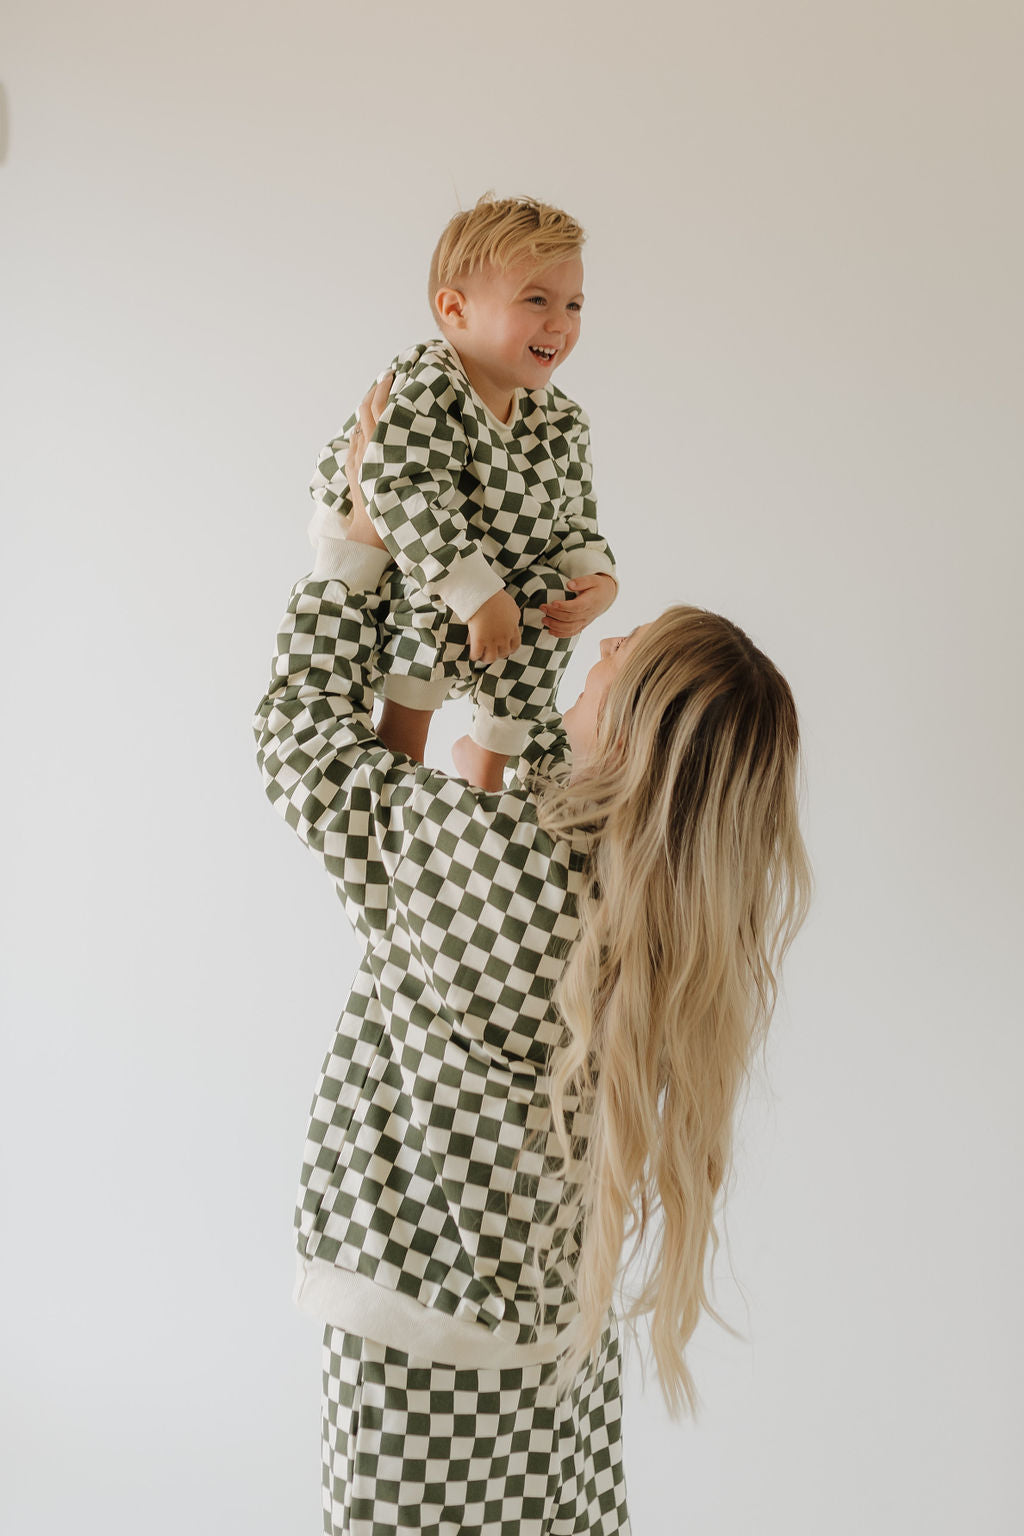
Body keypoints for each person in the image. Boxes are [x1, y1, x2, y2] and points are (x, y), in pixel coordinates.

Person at [253, 379, 812, 1535]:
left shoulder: (494, 859)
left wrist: (353, 550)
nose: (601, 645)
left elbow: (300, 738)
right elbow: (444, 790)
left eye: (628, 650)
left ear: (639, 728)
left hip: (416, 1339)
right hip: (556, 1338)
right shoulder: (660, 913)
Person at [307, 192, 619, 794]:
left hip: (480, 546)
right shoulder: (429, 381)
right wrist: (476, 596)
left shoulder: (561, 419)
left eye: (574, 304)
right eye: (537, 300)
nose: (561, 323)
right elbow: (400, 487)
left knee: (549, 595)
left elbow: (575, 516)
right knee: (433, 590)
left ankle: (487, 754)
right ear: (454, 309)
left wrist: (596, 579)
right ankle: (402, 741)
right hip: (387, 546)